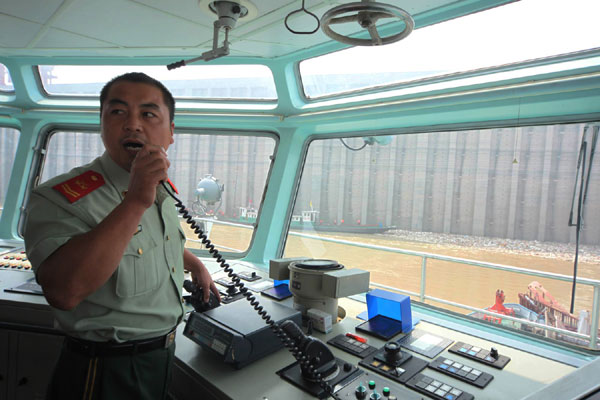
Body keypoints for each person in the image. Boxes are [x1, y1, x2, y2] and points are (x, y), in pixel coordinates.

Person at [23, 72, 220, 400]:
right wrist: (135, 201)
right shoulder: (61, 196)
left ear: (171, 132)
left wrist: (194, 264)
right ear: (101, 125)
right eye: (117, 112)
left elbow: (156, 240)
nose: (133, 124)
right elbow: (64, 292)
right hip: (103, 371)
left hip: (162, 356)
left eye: (148, 114)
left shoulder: (159, 188)